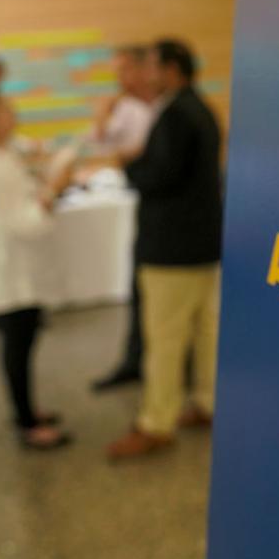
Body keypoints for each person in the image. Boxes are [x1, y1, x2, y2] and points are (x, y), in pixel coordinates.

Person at [106, 38, 223, 460]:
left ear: (172, 69)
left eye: (152, 67)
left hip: (173, 248)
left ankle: (156, 422)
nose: (144, 76)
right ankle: (209, 402)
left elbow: (159, 177)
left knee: (167, 338)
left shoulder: (175, 114)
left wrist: (129, 163)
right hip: (203, 244)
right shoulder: (199, 108)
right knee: (205, 331)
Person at [0, 90, 76, 450]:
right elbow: (25, 221)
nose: (13, 114)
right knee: (17, 342)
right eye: (5, 110)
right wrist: (53, 189)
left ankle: (26, 409)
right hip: (5, 263)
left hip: (8, 260)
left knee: (22, 338)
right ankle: (26, 422)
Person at [90, 44, 158, 392]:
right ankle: (135, 359)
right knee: (142, 287)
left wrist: (135, 155)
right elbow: (106, 149)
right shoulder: (127, 108)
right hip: (147, 207)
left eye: (125, 70)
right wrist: (103, 116)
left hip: (168, 213)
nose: (121, 79)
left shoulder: (168, 108)